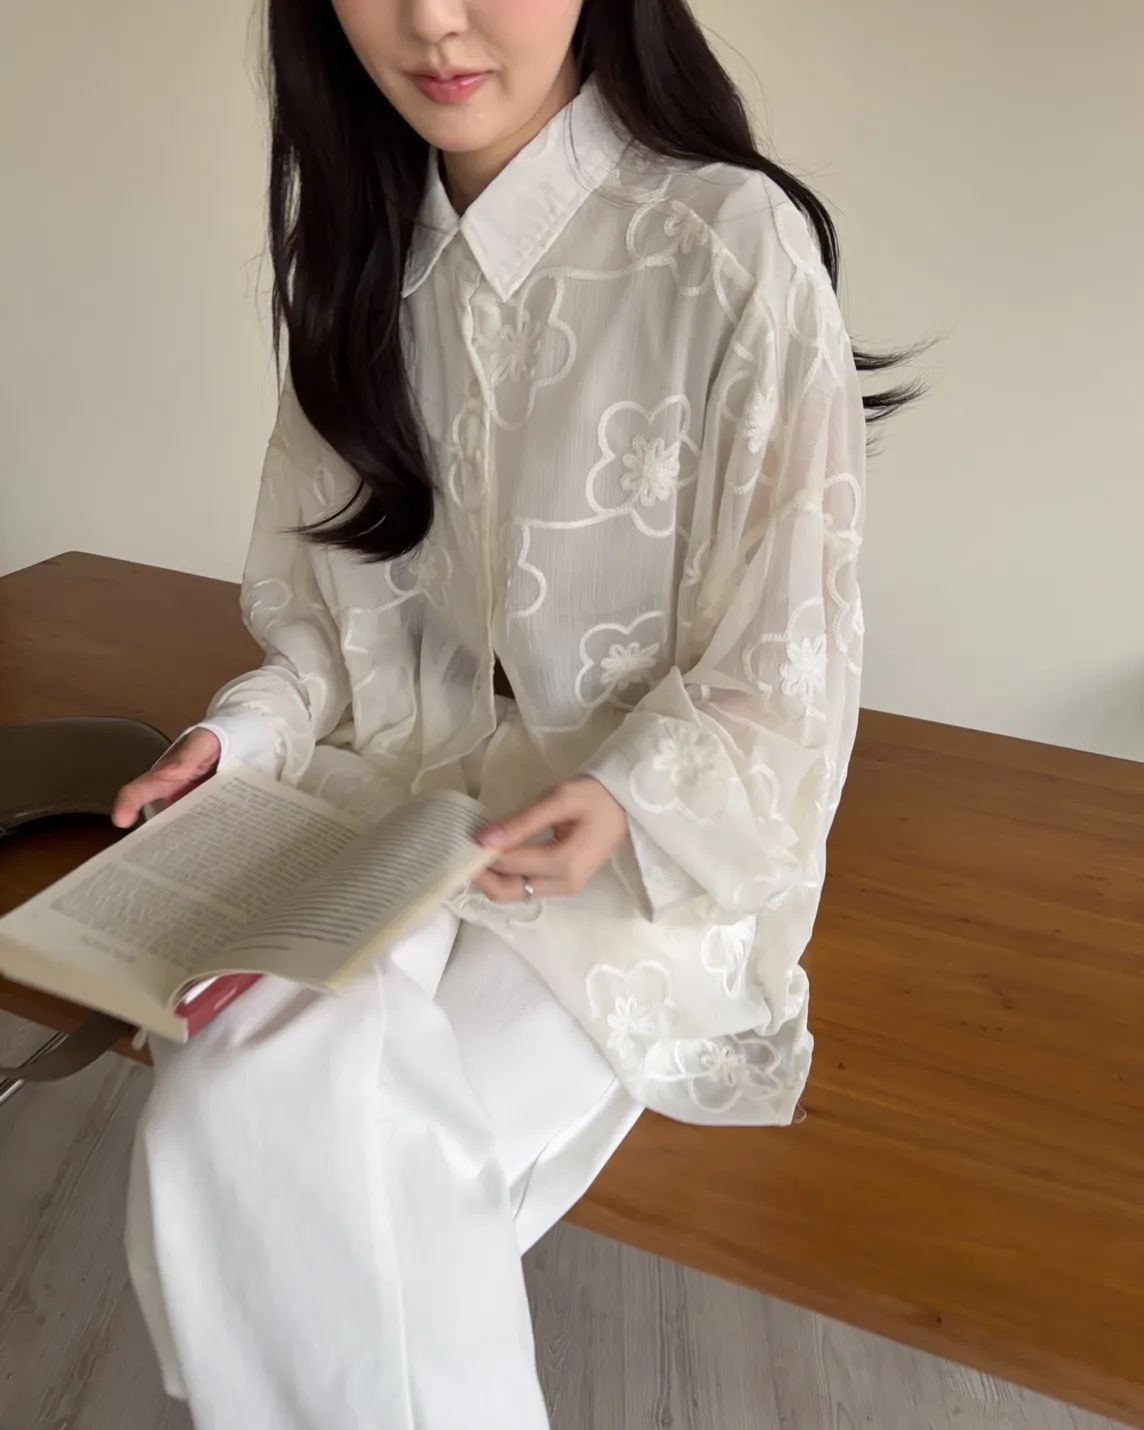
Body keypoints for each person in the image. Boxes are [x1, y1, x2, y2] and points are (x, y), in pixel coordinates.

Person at [113, 1, 912, 1425]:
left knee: (305, 1150)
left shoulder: (728, 247)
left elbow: (784, 665)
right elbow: (327, 632)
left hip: (629, 859)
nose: (433, 20)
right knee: (239, 1111)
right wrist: (244, 735)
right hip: (383, 806)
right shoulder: (363, 259)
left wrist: (629, 799)